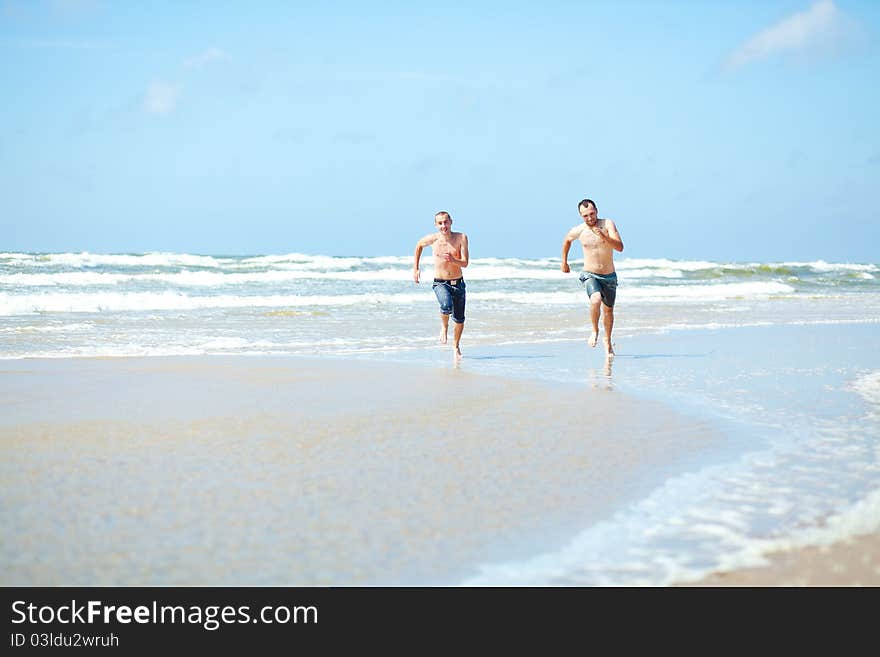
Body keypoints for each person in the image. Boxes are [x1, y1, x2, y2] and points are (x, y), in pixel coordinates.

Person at [561, 198, 624, 356]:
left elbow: (620, 247)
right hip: (590, 274)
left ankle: (607, 341)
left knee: (608, 311)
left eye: (592, 213)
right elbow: (567, 240)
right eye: (585, 215)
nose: (590, 218)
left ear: (597, 211)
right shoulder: (579, 230)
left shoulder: (607, 224)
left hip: (609, 276)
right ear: (581, 216)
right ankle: (594, 331)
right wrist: (564, 262)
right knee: (595, 299)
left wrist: (605, 237)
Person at [413, 211, 469, 357]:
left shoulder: (461, 238)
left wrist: (453, 260)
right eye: (440, 223)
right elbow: (418, 246)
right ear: (436, 225)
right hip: (440, 283)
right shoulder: (433, 239)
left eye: (446, 222)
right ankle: (444, 327)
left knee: (459, 320)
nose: (443, 226)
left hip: (459, 284)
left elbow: (465, 263)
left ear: (451, 222)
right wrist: (416, 268)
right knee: (446, 305)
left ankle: (456, 346)